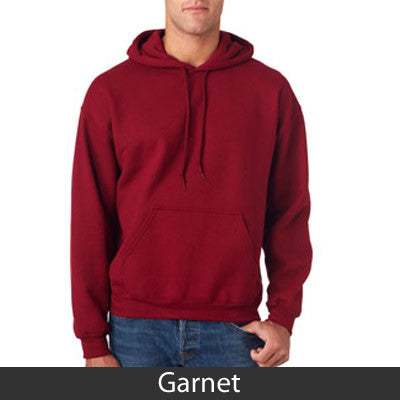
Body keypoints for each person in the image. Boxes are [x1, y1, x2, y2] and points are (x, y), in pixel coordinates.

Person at [70, 0, 312, 367]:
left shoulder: (269, 90)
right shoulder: (110, 91)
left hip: (236, 329)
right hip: (135, 329)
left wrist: (283, 316)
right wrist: (92, 340)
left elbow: (289, 211)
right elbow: (90, 215)